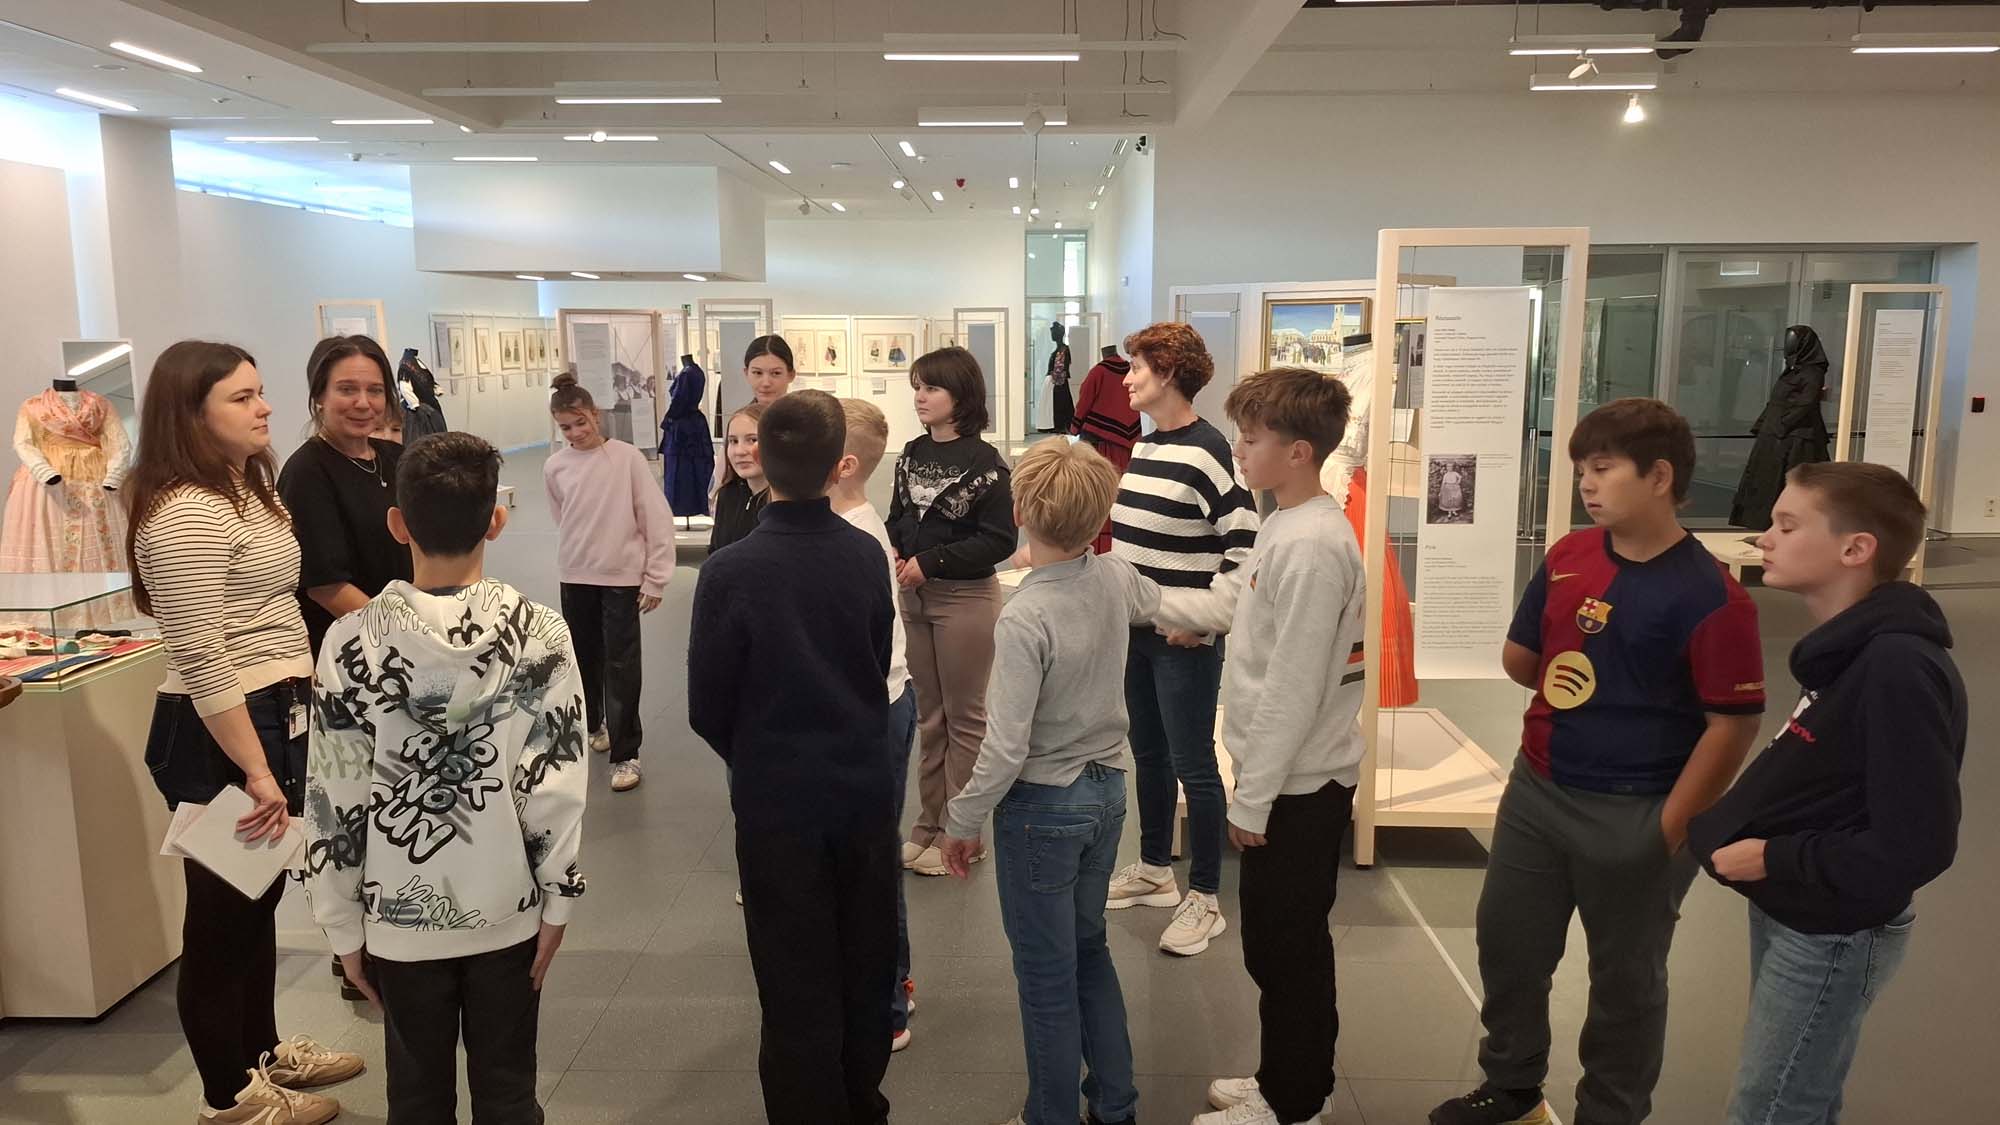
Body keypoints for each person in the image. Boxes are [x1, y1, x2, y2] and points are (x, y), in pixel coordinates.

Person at [1430, 398, 1767, 1125]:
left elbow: (1733, 726)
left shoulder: (1713, 596)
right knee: (1509, 946)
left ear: (1659, 477)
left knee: (1626, 981)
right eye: (1582, 467)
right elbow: (1523, 659)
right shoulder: (1568, 556)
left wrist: (1669, 828)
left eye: (1604, 468)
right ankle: (1512, 1084)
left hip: (1639, 806)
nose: (1586, 482)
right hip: (1539, 790)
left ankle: (1610, 1111)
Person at [305, 431, 589, 1125]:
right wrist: (558, 900)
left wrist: (341, 924)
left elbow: (334, 794)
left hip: (396, 918)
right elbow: (555, 782)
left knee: (416, 1098)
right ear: (497, 519)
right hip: (506, 909)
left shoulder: (350, 641)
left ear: (397, 523)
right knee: (508, 1092)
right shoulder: (542, 634)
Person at [126, 340, 362, 1125]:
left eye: (260, 391)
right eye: (242, 397)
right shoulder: (185, 512)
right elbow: (201, 656)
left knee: (257, 896)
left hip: (269, 713)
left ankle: (263, 1053)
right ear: (191, 414)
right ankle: (226, 1095)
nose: (264, 407)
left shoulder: (241, 487)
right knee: (221, 916)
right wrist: (256, 768)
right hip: (221, 730)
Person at [1689, 461, 1965, 1124]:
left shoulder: (1896, 668)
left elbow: (1919, 844)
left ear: (1855, 548)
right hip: (1799, 908)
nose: (1764, 538)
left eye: (1787, 525)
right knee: (1795, 1097)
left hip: (1833, 929)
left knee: (1771, 1107)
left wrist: (1775, 857)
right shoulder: (1851, 654)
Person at [1148, 368, 1366, 1125]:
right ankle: (1290, 1077)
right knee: (1277, 944)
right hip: (1286, 780)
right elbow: (1238, 605)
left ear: (1299, 451)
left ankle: (1294, 1101)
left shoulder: (1313, 545)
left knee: (1287, 947)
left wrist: (1252, 799)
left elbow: (1293, 687)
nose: (1237, 449)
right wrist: (1150, 600)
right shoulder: (1285, 523)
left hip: (1299, 786)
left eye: (1251, 437)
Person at [687, 390, 898, 1125]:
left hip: (776, 801)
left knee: (792, 971)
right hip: (863, 791)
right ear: (839, 465)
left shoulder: (729, 571)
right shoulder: (865, 553)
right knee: (866, 959)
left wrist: (760, 754)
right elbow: (875, 660)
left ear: (761, 462)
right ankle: (861, 1100)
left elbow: (707, 706)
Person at [938, 437, 1156, 1125]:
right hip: (1107, 794)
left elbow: (1005, 747)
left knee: (1045, 977)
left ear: (1021, 512)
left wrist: (960, 820)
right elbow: (1160, 603)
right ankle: (1115, 1105)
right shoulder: (1115, 575)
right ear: (1101, 515)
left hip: (1043, 808)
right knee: (1089, 949)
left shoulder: (1026, 615)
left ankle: (1051, 1115)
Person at [1103, 322, 1259, 957]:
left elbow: (1245, 550)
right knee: (1149, 754)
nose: (1128, 379)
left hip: (1182, 641)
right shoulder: (1146, 447)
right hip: (1138, 634)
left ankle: (1206, 896)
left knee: (1194, 763)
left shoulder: (1209, 451)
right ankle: (1153, 869)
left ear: (1167, 373)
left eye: (1137, 367)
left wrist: (1206, 620)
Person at [887, 347, 1017, 877]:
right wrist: (897, 551)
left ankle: (962, 833)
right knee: (930, 716)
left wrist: (931, 561)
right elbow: (900, 517)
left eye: (931, 388)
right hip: (914, 598)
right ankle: (927, 826)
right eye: (917, 387)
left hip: (965, 599)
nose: (920, 397)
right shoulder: (912, 452)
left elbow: (1000, 539)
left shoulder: (986, 463)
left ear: (961, 395)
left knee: (965, 719)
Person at [832, 398, 920, 1051]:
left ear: (843, 463)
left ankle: (889, 1003)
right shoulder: (852, 527)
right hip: (877, 706)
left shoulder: (856, 537)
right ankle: (892, 985)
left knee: (871, 862)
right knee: (870, 856)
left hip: (876, 710)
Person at [546, 372, 676, 793]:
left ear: (595, 415)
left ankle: (626, 753)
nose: (575, 432)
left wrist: (655, 578)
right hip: (575, 575)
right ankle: (595, 725)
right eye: (565, 427)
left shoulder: (627, 458)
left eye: (580, 422)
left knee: (621, 664)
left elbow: (654, 516)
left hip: (621, 579)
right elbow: (563, 516)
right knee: (584, 659)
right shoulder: (555, 466)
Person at [277, 335, 412, 659]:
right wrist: (406, 637)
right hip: (355, 650)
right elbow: (327, 587)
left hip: (406, 631)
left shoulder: (397, 457)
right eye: (347, 389)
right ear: (319, 395)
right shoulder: (307, 473)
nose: (363, 403)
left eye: (375, 390)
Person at [1068, 345, 1140, 555]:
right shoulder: (1130, 371)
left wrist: (1074, 427)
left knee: (1096, 494)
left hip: (1099, 443)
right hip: (1127, 444)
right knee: (1121, 493)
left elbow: (1084, 401)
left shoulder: (1098, 372)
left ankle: (1095, 546)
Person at [710, 401, 769, 553]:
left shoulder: (784, 502)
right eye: (733, 441)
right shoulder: (727, 494)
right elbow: (715, 552)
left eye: (752, 440)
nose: (739, 451)